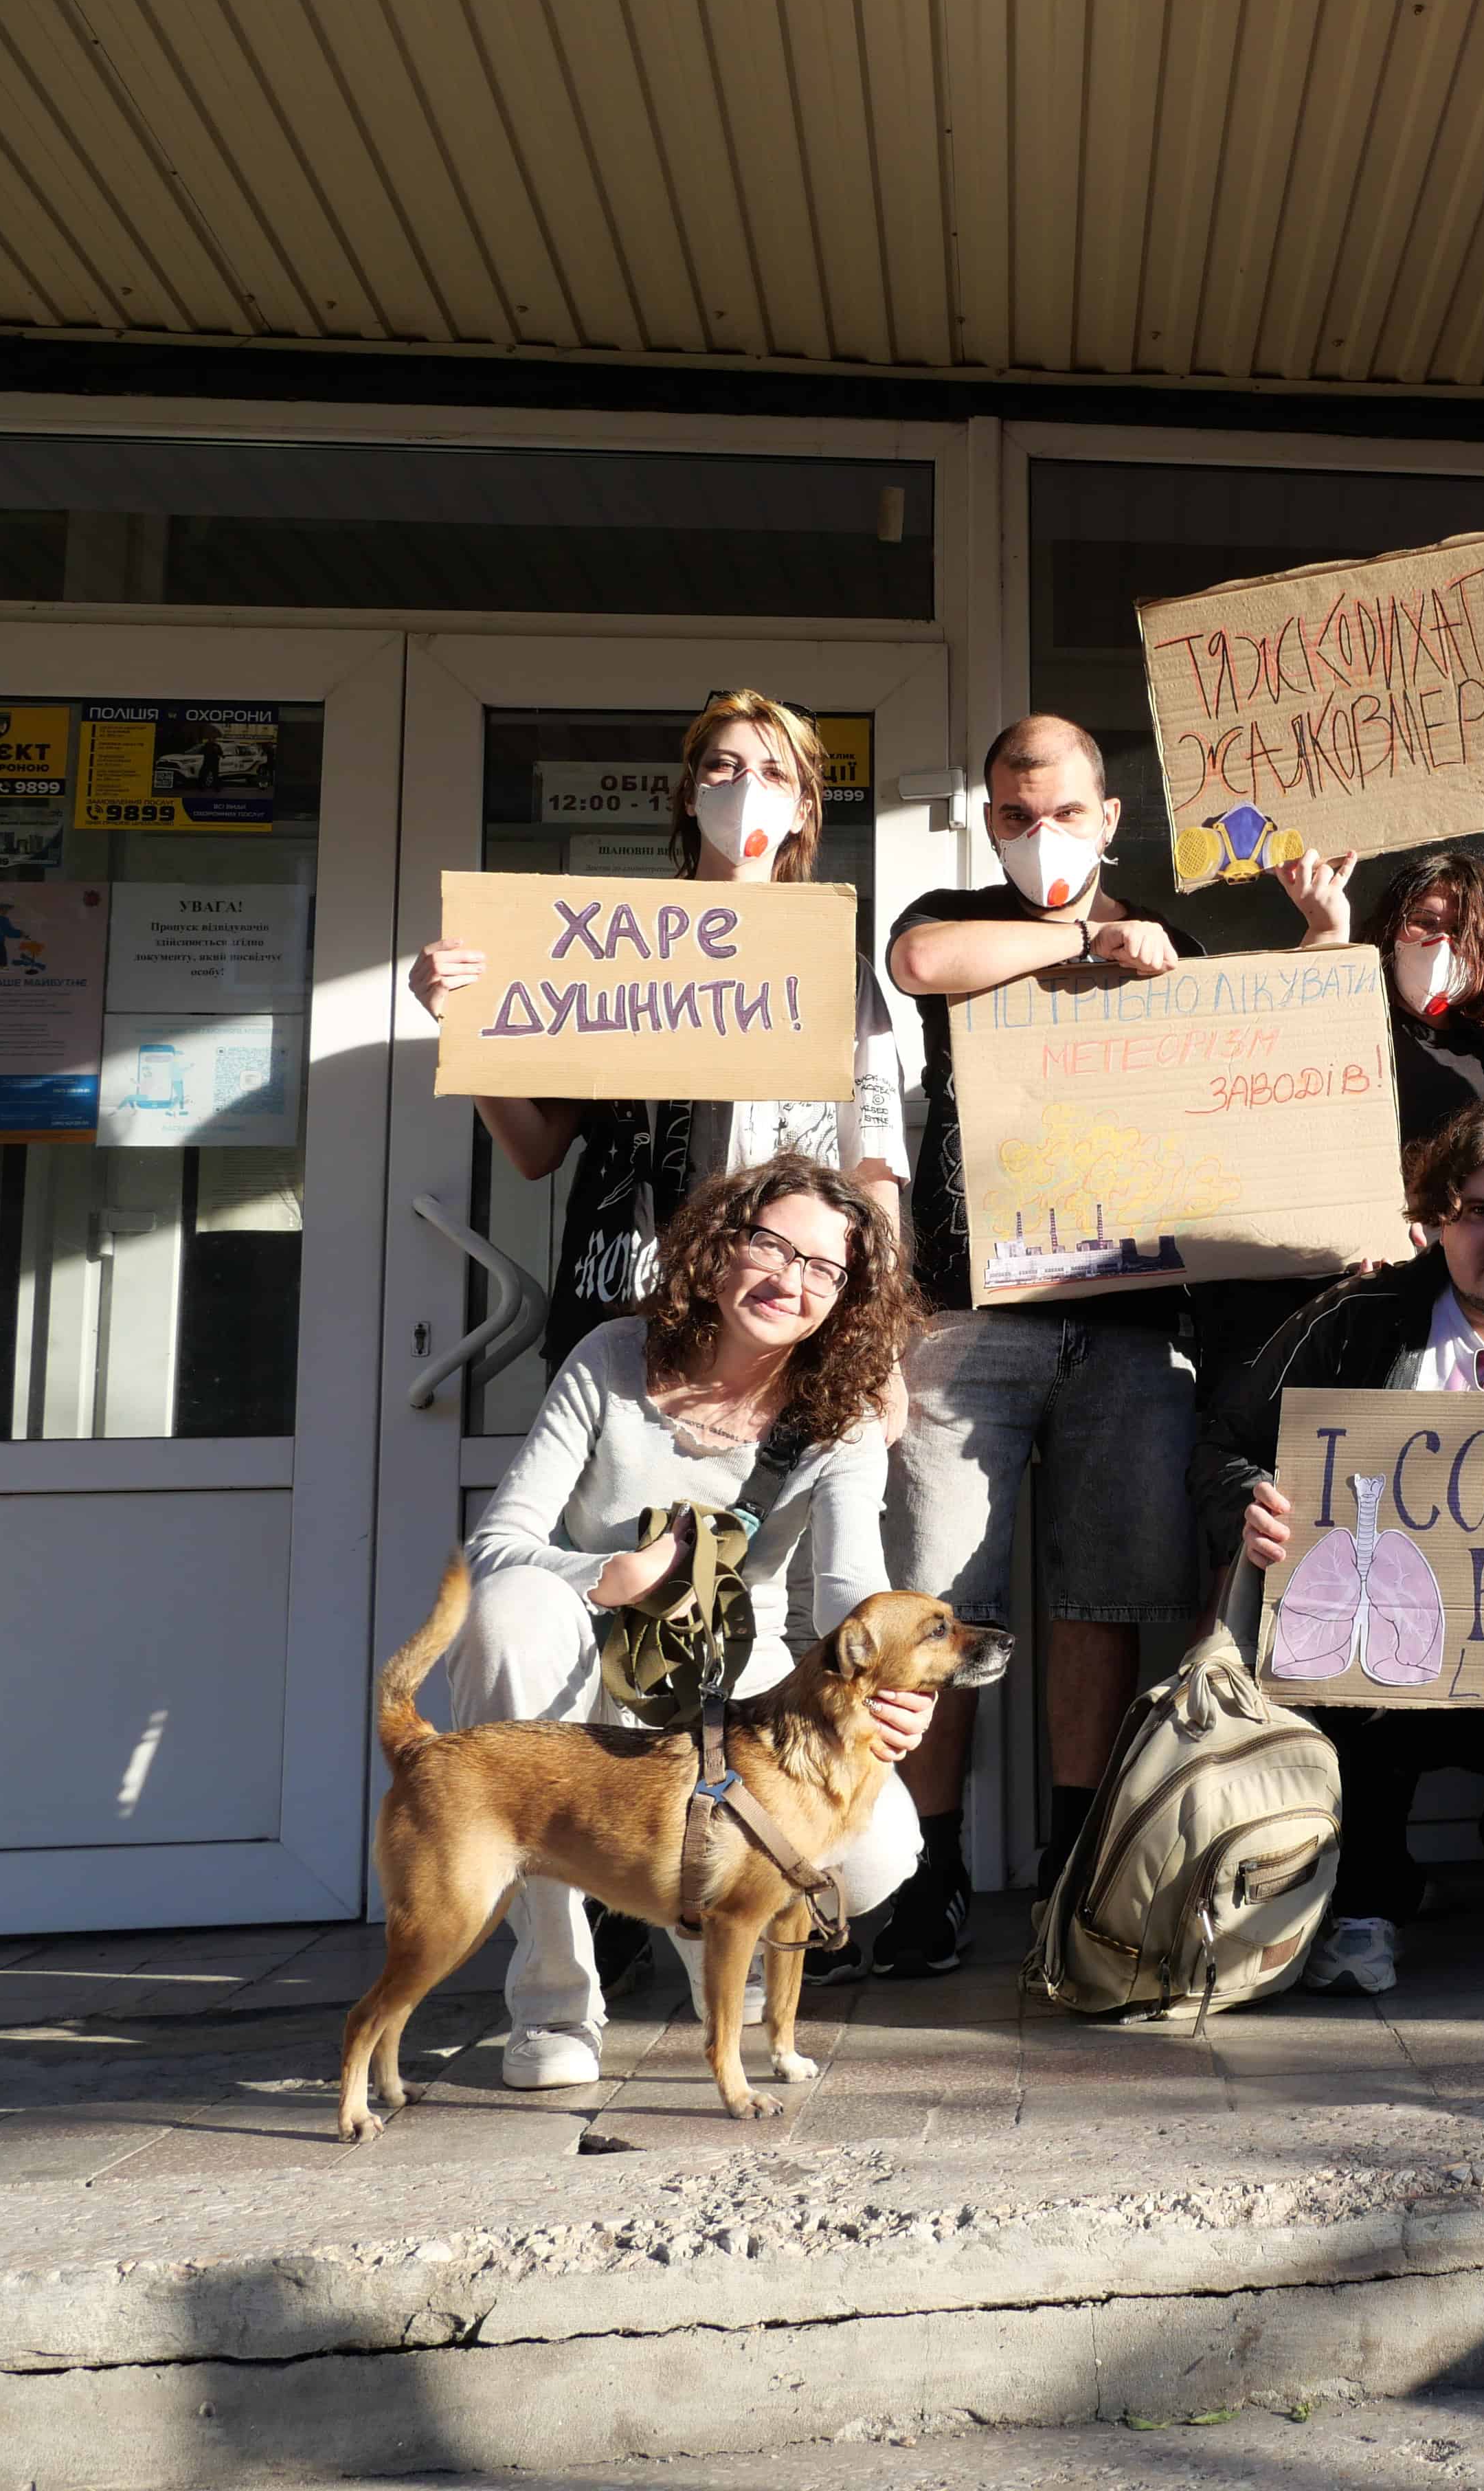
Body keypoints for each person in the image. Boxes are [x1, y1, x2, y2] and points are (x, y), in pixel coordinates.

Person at [449, 1154, 931, 2086]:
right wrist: (610, 1575)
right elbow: (495, 1548)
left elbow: (851, 1590)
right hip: (579, 1665)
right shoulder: (611, 1359)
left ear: (845, 1298)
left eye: (822, 1269)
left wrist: (896, 1691)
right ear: (717, 1248)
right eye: (771, 1246)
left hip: (733, 1681)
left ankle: (718, 1931)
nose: (790, 1280)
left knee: (876, 1858)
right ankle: (553, 2003)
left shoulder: (841, 1416)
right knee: (506, 1612)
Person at [1192, 1100, 1484, 1996]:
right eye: (1480, 1210)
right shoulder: (1357, 1320)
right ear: (1438, 1220)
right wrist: (1248, 1503)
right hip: (1383, 1643)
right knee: (1344, 1674)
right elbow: (1226, 1446)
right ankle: (1367, 1903)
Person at [878, 713, 1213, 1972]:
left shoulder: (1175, 942)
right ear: (989, 821)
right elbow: (919, 960)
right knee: (937, 1603)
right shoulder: (958, 916)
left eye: (1065, 812)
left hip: (1129, 1319)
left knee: (1099, 1599)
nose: (1041, 834)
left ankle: (1076, 1863)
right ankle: (925, 1872)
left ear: (1109, 816)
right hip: (967, 1315)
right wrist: (1083, 938)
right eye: (1016, 816)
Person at [410, 689, 911, 1371]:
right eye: (723, 767)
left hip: (778, 1317)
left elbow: (873, 1168)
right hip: (620, 1310)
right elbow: (535, 1149)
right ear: (690, 795)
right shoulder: (609, 949)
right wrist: (461, 1025)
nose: (746, 788)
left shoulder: (835, 973)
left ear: (802, 810)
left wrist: (874, 1332)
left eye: (773, 773)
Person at [1278, 847, 1484, 1147]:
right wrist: (1325, 932)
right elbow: (1303, 1052)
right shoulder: (1360, 1033)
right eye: (1423, 922)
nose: (1441, 943)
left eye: (1460, 931)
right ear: (1390, 929)